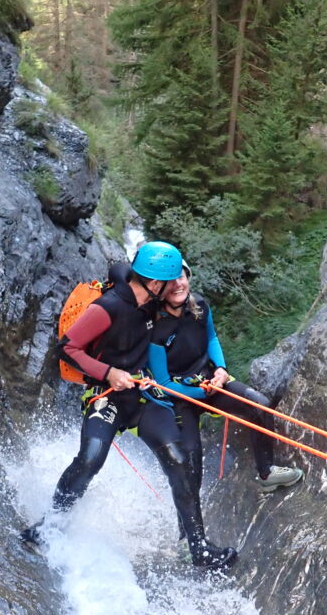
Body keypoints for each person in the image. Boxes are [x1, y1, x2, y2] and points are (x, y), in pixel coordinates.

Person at [52, 241, 237, 570]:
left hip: (142, 396)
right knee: (91, 458)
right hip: (107, 394)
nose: (177, 286)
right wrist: (109, 373)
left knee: (178, 459)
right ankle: (51, 524)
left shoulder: (153, 305)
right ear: (155, 284)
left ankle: (199, 548)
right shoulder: (107, 308)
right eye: (171, 281)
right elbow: (68, 348)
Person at [146, 261, 303, 505]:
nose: (177, 284)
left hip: (209, 380)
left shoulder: (198, 305)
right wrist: (198, 392)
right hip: (180, 396)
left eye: (181, 277)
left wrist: (221, 369)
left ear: (188, 277)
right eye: (169, 281)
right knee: (191, 457)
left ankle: (266, 472)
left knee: (259, 405)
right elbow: (163, 382)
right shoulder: (155, 325)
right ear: (159, 288)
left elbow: (211, 338)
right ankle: (187, 525)